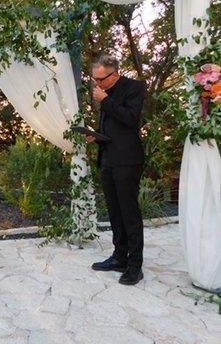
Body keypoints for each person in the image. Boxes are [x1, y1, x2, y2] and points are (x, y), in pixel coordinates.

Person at [86, 54, 146, 285]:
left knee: (129, 213)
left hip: (128, 160)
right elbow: (113, 128)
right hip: (108, 159)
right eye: (95, 80)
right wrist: (97, 137)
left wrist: (105, 100)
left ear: (115, 73)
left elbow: (131, 120)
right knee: (114, 212)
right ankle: (119, 257)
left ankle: (135, 265)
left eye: (101, 79)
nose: (97, 84)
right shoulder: (105, 93)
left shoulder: (134, 88)